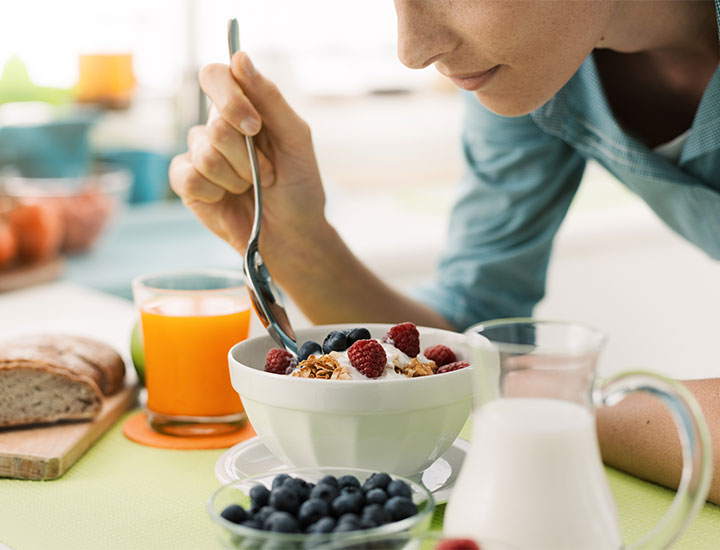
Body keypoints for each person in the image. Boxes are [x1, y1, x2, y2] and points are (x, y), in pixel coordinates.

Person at [170, 1, 720, 505]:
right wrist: (294, 239)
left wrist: (532, 399)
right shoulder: (536, 63)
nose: (412, 51)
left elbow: (472, 375)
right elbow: (460, 341)